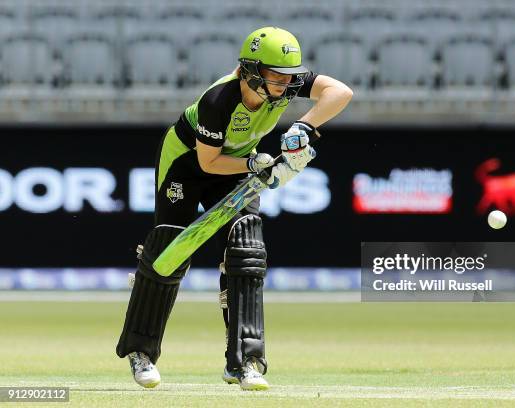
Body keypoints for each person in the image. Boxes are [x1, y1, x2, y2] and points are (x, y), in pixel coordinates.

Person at [115, 26, 352, 391]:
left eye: (290, 78)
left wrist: (304, 125)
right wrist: (258, 166)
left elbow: (340, 92)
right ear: (251, 71)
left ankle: (245, 362)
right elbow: (209, 163)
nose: (285, 86)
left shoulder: (282, 86)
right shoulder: (218, 101)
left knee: (246, 248)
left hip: (240, 164)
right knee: (168, 252)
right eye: (275, 77)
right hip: (189, 165)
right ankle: (140, 352)